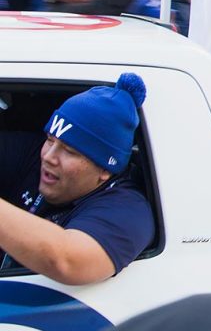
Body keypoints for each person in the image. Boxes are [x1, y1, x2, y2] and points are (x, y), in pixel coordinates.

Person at [0, 73, 154, 285]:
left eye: (69, 151)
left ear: (105, 169)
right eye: (50, 140)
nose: (49, 156)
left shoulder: (128, 211)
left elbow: (66, 261)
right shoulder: (36, 153)